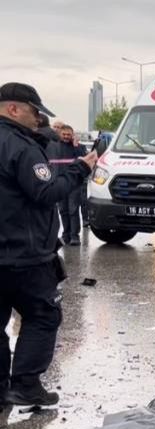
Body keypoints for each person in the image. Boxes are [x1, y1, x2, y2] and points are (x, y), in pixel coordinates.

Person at [0, 82, 97, 406]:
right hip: (24, 253)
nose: (38, 119)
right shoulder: (20, 146)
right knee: (43, 315)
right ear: (13, 109)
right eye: (34, 111)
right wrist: (81, 169)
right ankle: (25, 385)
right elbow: (45, 192)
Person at [48, 124, 86, 245]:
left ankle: (75, 236)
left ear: (72, 135)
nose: (66, 136)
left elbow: (83, 159)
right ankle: (66, 235)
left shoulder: (79, 147)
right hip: (59, 182)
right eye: (63, 134)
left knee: (73, 210)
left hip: (74, 183)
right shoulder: (54, 146)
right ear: (60, 134)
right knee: (63, 210)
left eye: (68, 135)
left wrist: (76, 145)